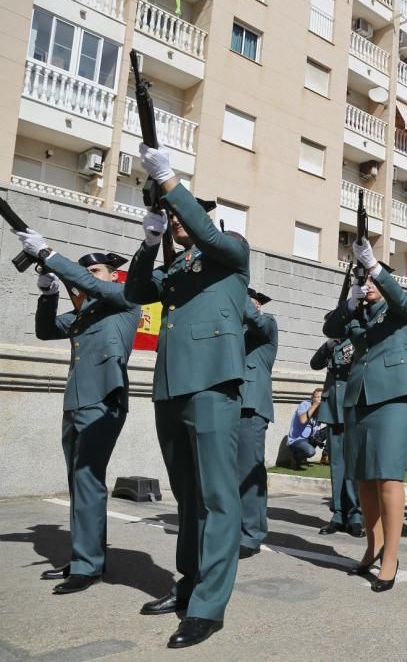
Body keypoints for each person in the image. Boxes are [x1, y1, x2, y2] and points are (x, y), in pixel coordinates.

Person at [123, 144, 249, 648]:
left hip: (213, 383)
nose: (178, 221)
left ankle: (209, 605)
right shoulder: (176, 270)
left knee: (218, 498)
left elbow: (210, 234)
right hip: (172, 386)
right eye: (173, 217)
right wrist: (150, 241)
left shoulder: (231, 250)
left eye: (184, 216)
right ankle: (190, 583)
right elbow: (134, 292)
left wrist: (171, 181)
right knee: (188, 497)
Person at [17, 239, 140, 595]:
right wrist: (47, 292)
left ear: (112, 275)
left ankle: (88, 567)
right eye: (85, 272)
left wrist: (50, 256)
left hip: (104, 401)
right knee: (78, 484)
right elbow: (45, 331)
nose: (89, 277)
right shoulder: (85, 314)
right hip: (75, 404)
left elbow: (93, 288)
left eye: (95, 271)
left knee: (87, 479)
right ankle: (85, 555)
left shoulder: (124, 299)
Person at [323, 239, 407, 592]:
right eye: (363, 280)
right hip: (360, 395)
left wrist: (377, 267)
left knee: (387, 475)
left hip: (395, 394)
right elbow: (331, 330)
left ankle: (391, 557)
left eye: (371, 281)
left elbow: (406, 303)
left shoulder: (398, 309)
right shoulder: (359, 313)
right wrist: (348, 304)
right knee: (364, 476)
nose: (366, 286)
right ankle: (373, 546)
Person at [237, 288, 278, 560]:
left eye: (252, 303)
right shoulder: (234, 335)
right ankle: (232, 529)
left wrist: (233, 287)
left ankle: (251, 534)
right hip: (227, 405)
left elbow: (251, 315)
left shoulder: (267, 326)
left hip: (251, 408)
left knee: (248, 472)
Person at [310, 336, 364, 537]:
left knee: (353, 465)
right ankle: (339, 515)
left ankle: (356, 515)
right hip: (333, 407)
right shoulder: (332, 344)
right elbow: (315, 364)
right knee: (337, 466)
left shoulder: (357, 339)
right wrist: (327, 345)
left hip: (353, 405)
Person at [286, 389, 324, 467]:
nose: (319, 400)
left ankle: (325, 456)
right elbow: (303, 420)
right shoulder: (305, 404)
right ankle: (296, 457)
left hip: (311, 438)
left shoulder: (322, 409)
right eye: (317, 397)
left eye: (322, 398)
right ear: (312, 398)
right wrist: (315, 405)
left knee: (332, 429)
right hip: (297, 440)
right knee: (310, 452)